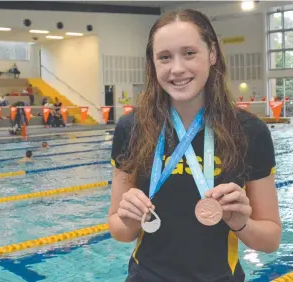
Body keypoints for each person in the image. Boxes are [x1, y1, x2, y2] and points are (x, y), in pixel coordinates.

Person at [107, 9, 281, 282]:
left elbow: (270, 239)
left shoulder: (249, 132)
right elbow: (119, 230)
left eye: (189, 53)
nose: (177, 68)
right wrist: (127, 218)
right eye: (164, 57)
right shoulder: (131, 128)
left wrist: (241, 223)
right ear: (153, 63)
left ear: (212, 54)